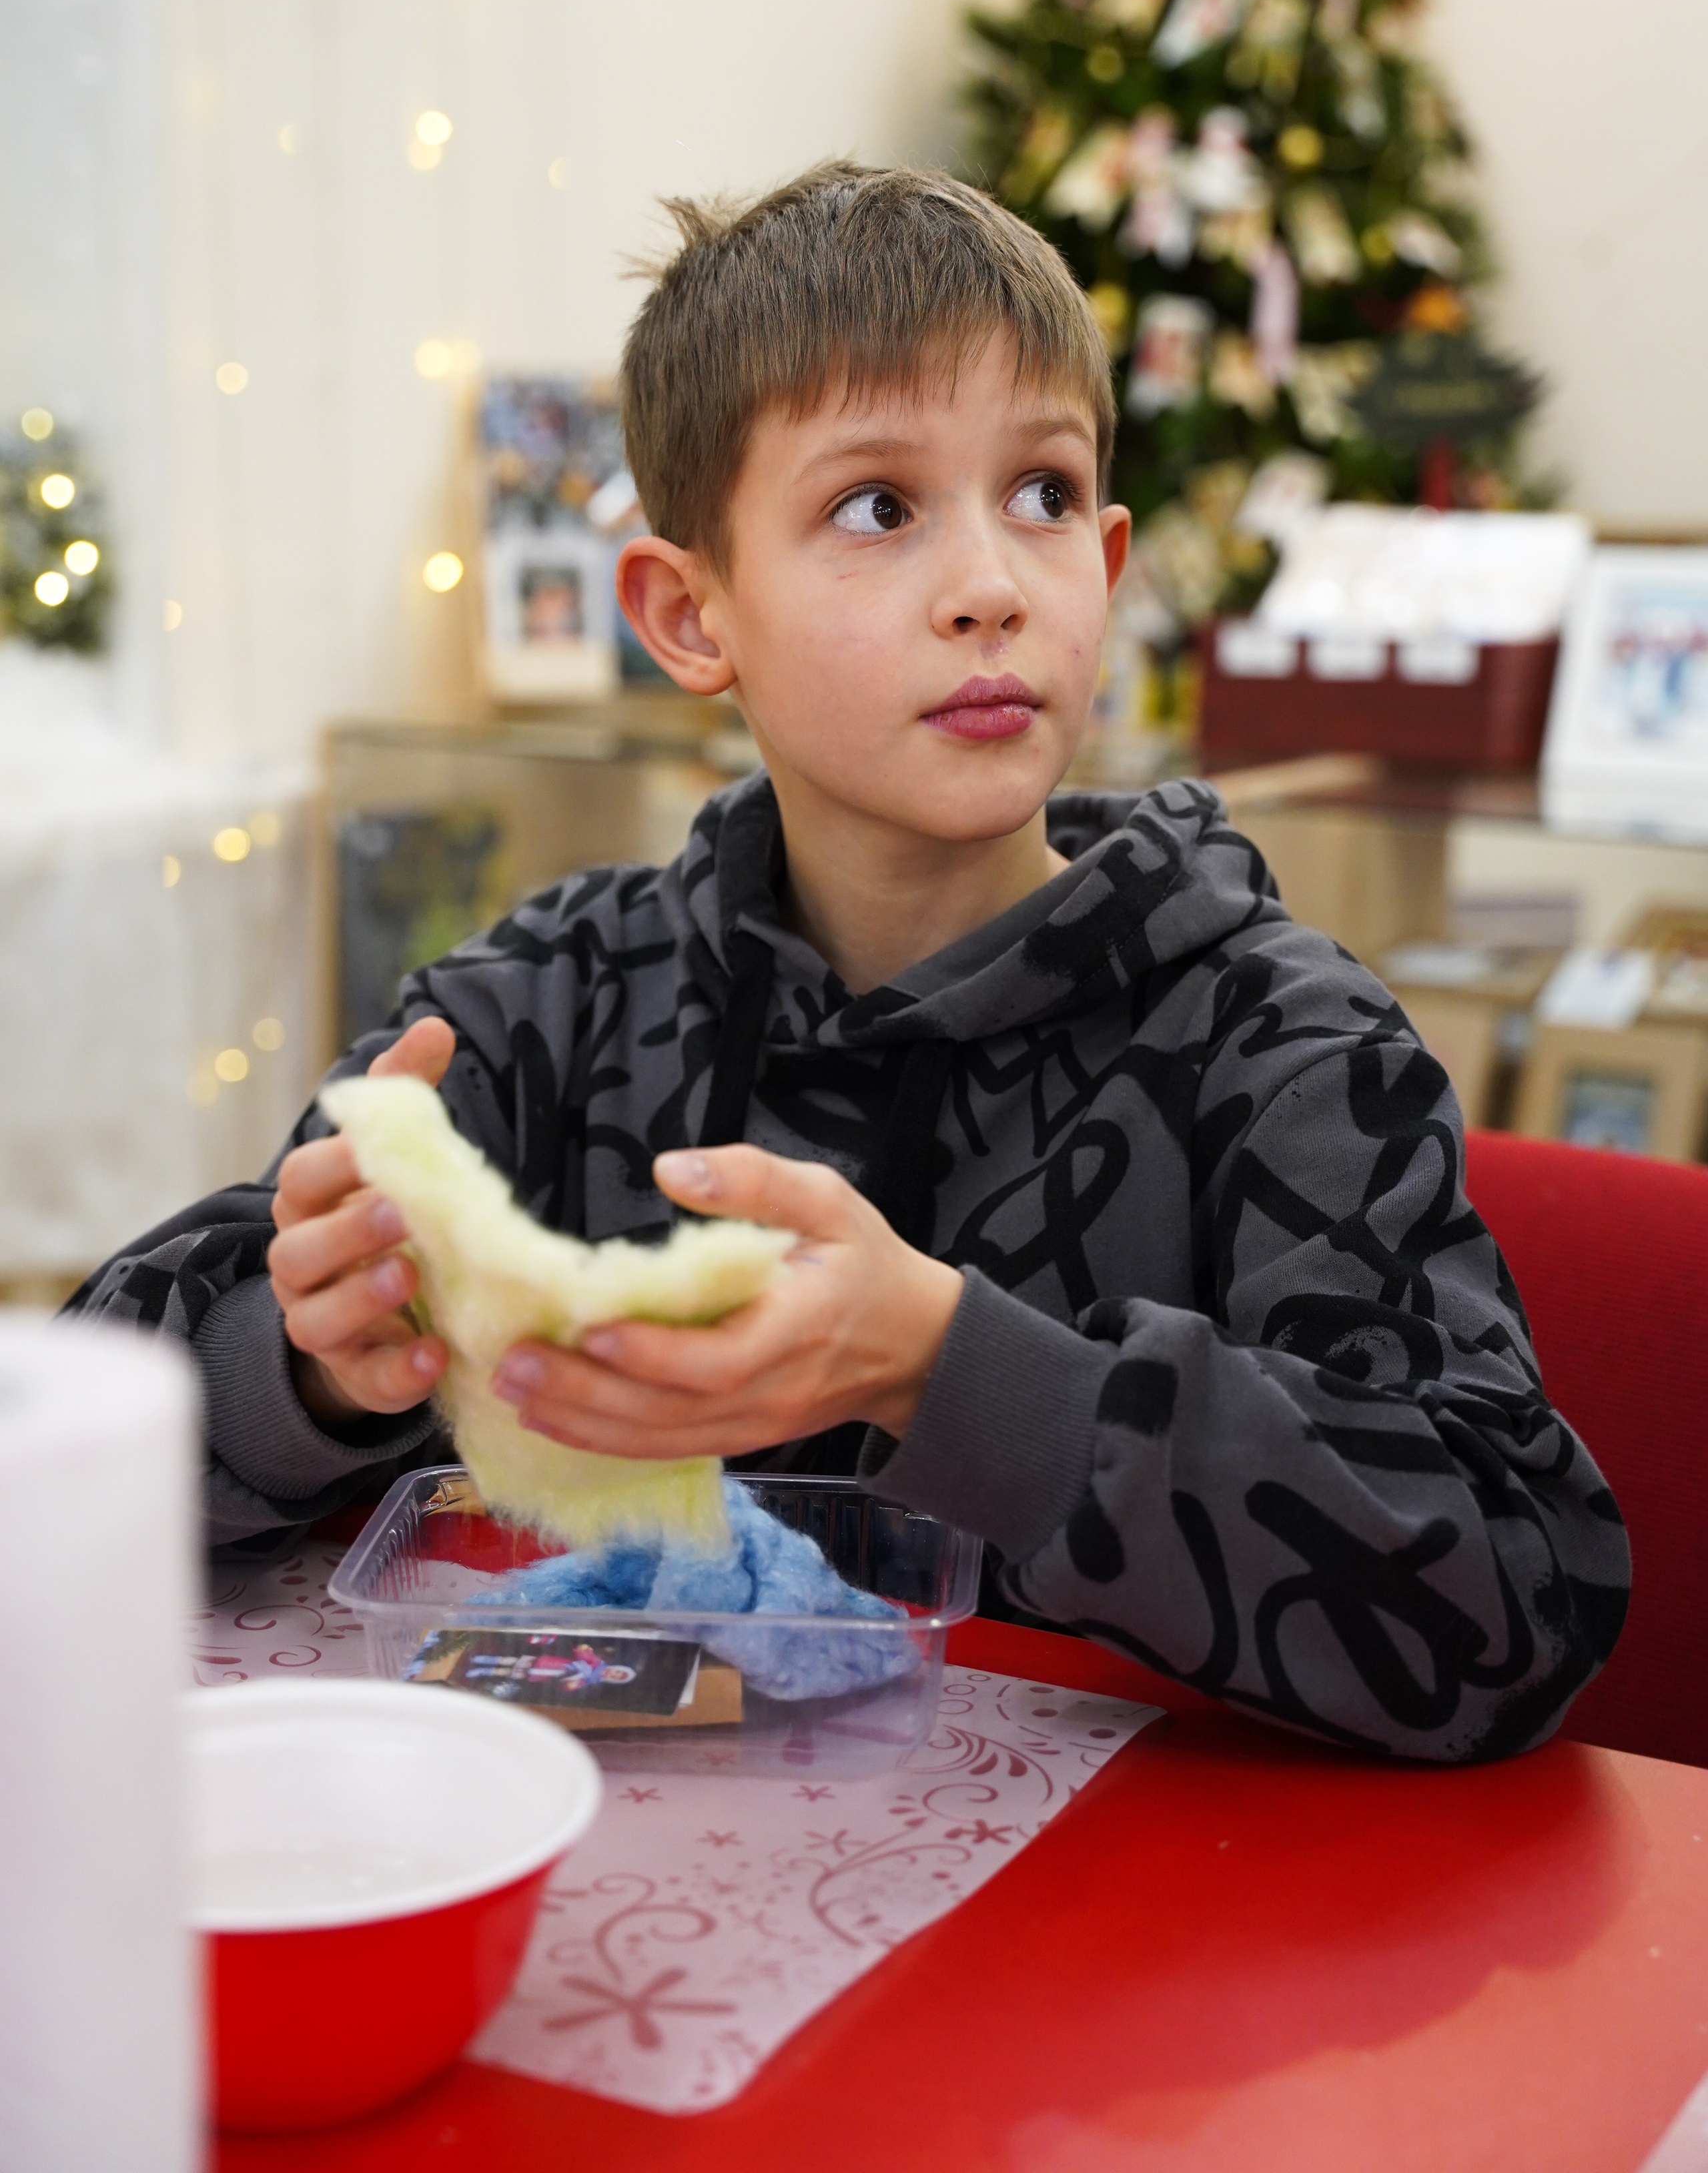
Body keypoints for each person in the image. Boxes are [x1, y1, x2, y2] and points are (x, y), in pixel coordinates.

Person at [67, 163, 1628, 1761]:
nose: (988, 589)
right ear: (689, 616)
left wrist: (943, 1367)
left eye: (1039, 497)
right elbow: (77, 1437)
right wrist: (312, 1366)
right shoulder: (543, 998)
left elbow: (1512, 1585)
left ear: (1106, 554)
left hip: (1128, 1947)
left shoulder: (1286, 1045)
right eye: (876, 508)